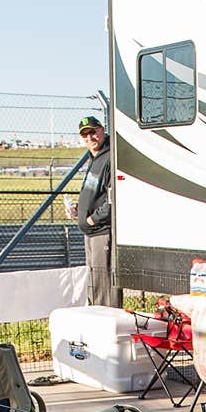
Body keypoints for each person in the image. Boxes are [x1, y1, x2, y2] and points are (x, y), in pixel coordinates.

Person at [67, 115, 119, 307]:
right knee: (93, 281)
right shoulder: (94, 158)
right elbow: (95, 193)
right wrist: (79, 210)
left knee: (104, 284)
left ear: (102, 130)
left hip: (102, 231)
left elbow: (115, 198)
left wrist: (93, 219)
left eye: (93, 132)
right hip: (90, 232)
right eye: (85, 134)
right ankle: (96, 316)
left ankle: (108, 317)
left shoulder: (110, 157)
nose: (90, 137)